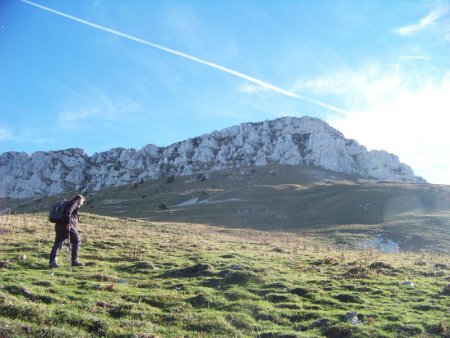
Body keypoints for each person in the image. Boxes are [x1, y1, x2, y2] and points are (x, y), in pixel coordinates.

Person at [49, 194, 85, 268]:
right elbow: (68, 213)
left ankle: (52, 261)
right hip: (66, 226)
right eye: (82, 201)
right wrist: (68, 223)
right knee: (76, 240)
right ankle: (74, 261)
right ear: (78, 199)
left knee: (58, 243)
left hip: (59, 226)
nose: (82, 203)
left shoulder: (67, 204)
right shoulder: (74, 203)